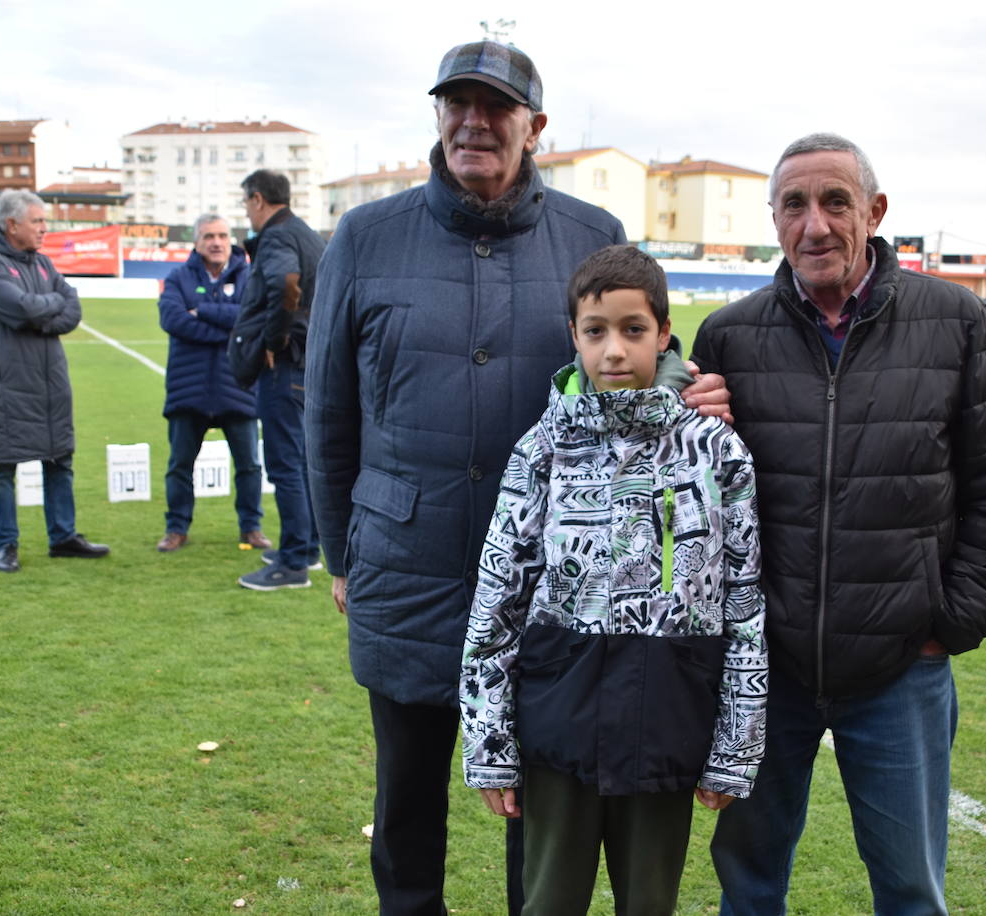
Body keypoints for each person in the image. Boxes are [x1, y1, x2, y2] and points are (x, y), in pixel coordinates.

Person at [306, 40, 732, 915]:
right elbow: (327, 411)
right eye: (456, 103)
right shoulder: (363, 235)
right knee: (407, 796)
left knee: (536, 807)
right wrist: (340, 554)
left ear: (534, 126)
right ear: (436, 116)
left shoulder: (591, 233)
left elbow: (632, 353)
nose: (474, 122)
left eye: (496, 107)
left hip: (556, 579)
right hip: (403, 557)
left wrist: (686, 385)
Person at [691, 133, 986, 915]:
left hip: (900, 674)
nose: (814, 225)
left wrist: (945, 624)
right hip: (766, 676)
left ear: (875, 212)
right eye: (794, 205)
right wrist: (680, 431)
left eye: (835, 202)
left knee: (911, 894)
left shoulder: (956, 323)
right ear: (774, 220)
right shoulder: (728, 336)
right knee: (748, 890)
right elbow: (693, 507)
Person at [459, 246, 767, 915]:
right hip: (558, 725)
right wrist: (489, 743)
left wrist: (734, 748)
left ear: (663, 334)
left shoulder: (717, 452)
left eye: (633, 330)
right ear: (574, 336)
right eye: (596, 331)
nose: (615, 351)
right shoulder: (541, 451)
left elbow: (744, 606)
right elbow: (498, 599)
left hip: (667, 723)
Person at [0, 189, 109, 573]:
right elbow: (20, 308)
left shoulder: (44, 265)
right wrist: (45, 307)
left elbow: (72, 309)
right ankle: (6, 545)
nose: (45, 229)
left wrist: (40, 310)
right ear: (12, 225)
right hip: (4, 383)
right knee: (1, 466)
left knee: (59, 460)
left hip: (50, 382)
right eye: (38, 221)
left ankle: (63, 537)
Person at [231, 169, 325, 591]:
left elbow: (286, 283)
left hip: (286, 363)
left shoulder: (277, 235)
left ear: (257, 199)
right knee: (301, 461)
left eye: (245, 204)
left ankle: (292, 565)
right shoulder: (306, 232)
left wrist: (274, 339)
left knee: (286, 464)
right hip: (307, 361)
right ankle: (305, 548)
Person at [155, 214, 270, 553]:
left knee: (249, 465)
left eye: (221, 235)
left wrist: (201, 311)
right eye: (208, 236)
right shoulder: (177, 277)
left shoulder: (251, 276)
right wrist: (228, 328)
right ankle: (176, 528)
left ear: (231, 239)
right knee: (179, 465)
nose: (216, 242)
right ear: (196, 242)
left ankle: (251, 527)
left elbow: (253, 319)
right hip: (188, 388)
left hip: (239, 385)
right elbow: (173, 320)